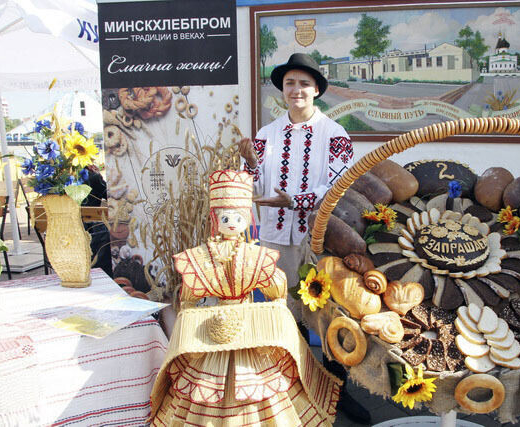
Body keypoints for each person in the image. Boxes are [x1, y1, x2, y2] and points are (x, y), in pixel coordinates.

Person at [148, 169, 342, 426]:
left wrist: (273, 316)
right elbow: (189, 297)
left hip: (250, 330)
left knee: (256, 382)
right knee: (214, 383)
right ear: (215, 219)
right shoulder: (204, 256)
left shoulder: (254, 256)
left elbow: (276, 292)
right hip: (219, 329)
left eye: (238, 217)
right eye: (225, 217)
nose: (231, 223)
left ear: (248, 219)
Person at [239, 53, 370, 424]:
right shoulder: (266, 135)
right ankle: (291, 387)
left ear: (317, 90)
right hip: (274, 237)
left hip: (320, 240)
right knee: (283, 315)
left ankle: (338, 390)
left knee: (326, 316)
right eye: (290, 83)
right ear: (282, 89)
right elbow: (253, 187)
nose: (296, 90)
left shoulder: (335, 135)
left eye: (304, 83)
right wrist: (250, 165)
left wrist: (295, 201)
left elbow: (338, 188)